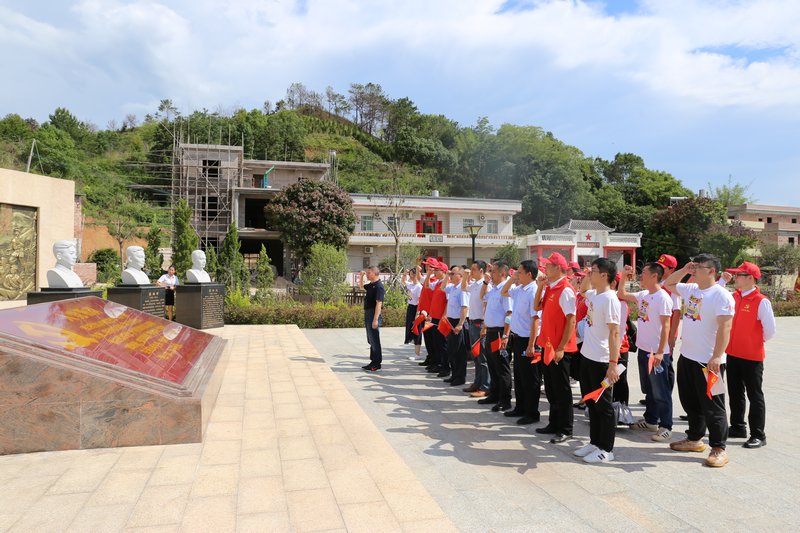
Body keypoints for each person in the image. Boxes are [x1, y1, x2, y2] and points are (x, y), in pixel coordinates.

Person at [664, 254, 735, 467]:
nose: (694, 270)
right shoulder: (692, 289)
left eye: (698, 267)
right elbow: (668, 283)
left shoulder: (721, 295)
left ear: (712, 271)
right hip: (688, 356)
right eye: (693, 266)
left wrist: (717, 356)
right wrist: (685, 269)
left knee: (713, 405)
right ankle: (694, 438)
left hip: (709, 361)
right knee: (690, 401)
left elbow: (725, 328)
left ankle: (719, 448)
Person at [720, 261, 776, 449]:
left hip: (752, 357)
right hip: (732, 353)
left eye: (739, 275)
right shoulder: (734, 296)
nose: (735, 278)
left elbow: (770, 331)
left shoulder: (761, 301)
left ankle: (758, 434)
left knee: (755, 395)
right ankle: (738, 427)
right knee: (735, 393)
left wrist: (753, 342)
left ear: (750, 278)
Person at [618, 263, 674, 442]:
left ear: (654, 276)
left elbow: (666, 326)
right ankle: (651, 420)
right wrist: (623, 276)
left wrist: (660, 352)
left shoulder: (663, 298)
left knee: (661, 391)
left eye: (643, 273)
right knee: (649, 389)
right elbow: (622, 294)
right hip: (643, 349)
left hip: (656, 353)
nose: (640, 275)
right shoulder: (643, 295)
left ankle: (666, 426)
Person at [574, 258, 622, 463]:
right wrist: (588, 273)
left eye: (593, 271)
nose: (589, 274)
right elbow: (583, 290)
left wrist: (613, 364)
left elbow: (614, 333)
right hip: (587, 356)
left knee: (603, 406)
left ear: (604, 275)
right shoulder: (595, 294)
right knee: (591, 402)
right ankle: (595, 442)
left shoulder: (610, 299)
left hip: (602, 360)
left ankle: (606, 449)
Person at [534, 252, 578, 444]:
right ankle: (554, 423)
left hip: (560, 349)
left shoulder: (566, 290)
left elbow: (571, 320)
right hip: (547, 345)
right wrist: (540, 287)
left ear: (558, 268)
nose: (545, 269)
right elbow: (537, 306)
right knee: (551, 388)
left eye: (548, 266)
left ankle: (566, 428)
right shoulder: (551, 287)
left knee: (562, 390)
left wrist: (561, 347)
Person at [501, 260, 541, 425]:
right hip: (517, 337)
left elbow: (535, 320)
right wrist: (512, 278)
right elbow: (504, 292)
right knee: (518, 375)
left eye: (520, 272)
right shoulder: (520, 289)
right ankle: (520, 407)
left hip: (528, 339)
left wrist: (531, 344)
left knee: (530, 378)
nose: (517, 274)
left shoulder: (533, 291)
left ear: (529, 274)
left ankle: (531, 412)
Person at [479, 261, 513, 412]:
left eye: (493, 272)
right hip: (491, 331)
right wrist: (486, 282)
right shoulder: (494, 289)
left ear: (502, 274)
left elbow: (509, 314)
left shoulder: (506, 290)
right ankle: (494, 394)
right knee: (492, 365)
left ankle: (505, 400)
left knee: (501, 367)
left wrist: (505, 334)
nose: (491, 274)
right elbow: (482, 297)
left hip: (500, 332)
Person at [464, 260, 491, 397]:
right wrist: (466, 276)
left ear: (481, 271)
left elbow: (487, 307)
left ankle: (485, 386)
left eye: (474, 269)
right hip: (472, 322)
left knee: (483, 357)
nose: (471, 271)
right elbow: (464, 287)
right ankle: (477, 382)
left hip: (480, 324)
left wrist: (485, 326)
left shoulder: (486, 286)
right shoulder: (474, 284)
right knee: (476, 356)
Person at [441, 266, 471, 387]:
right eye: (451, 274)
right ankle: (454, 375)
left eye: (453, 274)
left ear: (461, 276)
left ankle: (460, 377)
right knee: (452, 350)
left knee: (460, 352)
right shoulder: (452, 287)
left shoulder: (462, 289)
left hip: (458, 322)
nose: (451, 276)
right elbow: (442, 287)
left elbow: (464, 307)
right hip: (451, 321)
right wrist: (447, 276)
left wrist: (460, 324)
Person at [359, 266, 385, 372]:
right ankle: (373, 361)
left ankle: (377, 363)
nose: (367, 275)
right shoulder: (371, 285)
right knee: (370, 339)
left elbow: (379, 304)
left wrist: (375, 319)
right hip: (368, 313)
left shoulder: (379, 287)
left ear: (375, 273)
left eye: (369, 273)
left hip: (374, 314)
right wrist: (361, 277)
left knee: (374, 339)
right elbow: (361, 287)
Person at [402, 268, 423, 360]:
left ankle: (417, 354)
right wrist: (404, 273)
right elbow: (403, 281)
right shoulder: (410, 285)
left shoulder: (419, 287)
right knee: (410, 328)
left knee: (417, 329)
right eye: (410, 274)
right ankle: (415, 350)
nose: (411, 276)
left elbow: (420, 301)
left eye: (413, 274)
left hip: (417, 308)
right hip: (410, 307)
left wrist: (417, 313)